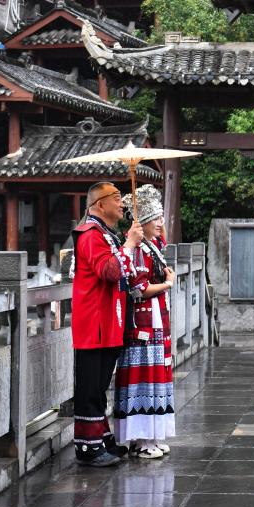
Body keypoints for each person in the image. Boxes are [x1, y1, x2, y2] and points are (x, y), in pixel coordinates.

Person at [71, 181, 142, 466]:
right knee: (90, 386)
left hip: (108, 320)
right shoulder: (90, 234)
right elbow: (109, 271)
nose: (122, 203)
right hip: (94, 323)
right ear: (99, 204)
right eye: (116, 198)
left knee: (100, 385)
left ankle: (100, 438)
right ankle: (87, 447)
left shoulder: (106, 234)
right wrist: (129, 244)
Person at [114, 185, 177, 459]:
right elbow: (138, 288)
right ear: (145, 222)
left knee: (157, 374)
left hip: (156, 319)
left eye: (161, 217)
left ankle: (152, 434)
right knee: (144, 377)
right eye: (157, 218)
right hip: (143, 323)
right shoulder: (139, 249)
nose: (161, 222)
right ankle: (141, 439)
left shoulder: (153, 247)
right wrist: (167, 284)